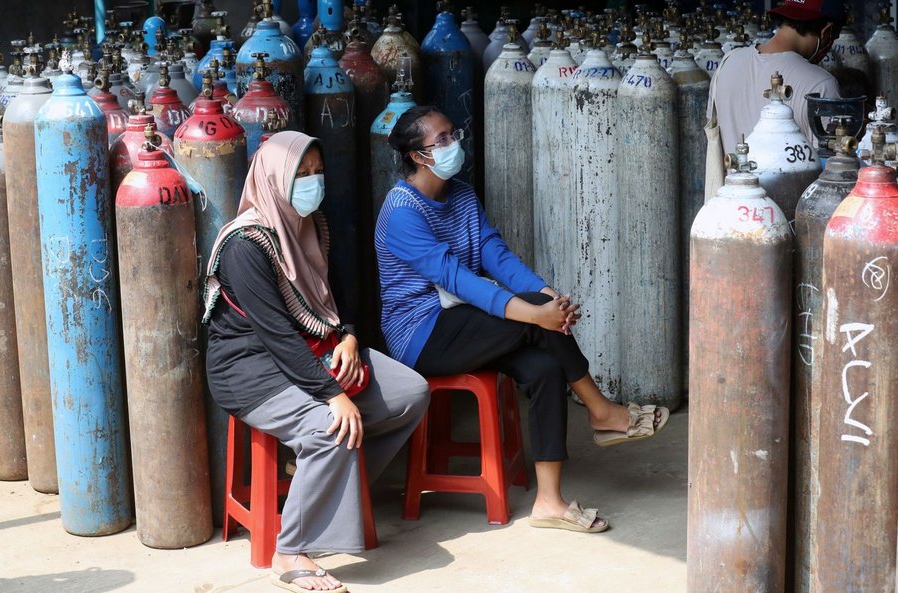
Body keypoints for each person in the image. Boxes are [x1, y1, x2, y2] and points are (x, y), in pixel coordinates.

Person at [374, 106, 670, 534]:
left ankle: (549, 501)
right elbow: (457, 279)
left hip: (469, 321)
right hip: (423, 333)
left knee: (547, 367)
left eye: (452, 133)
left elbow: (495, 254)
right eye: (441, 140)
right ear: (418, 156)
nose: (453, 143)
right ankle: (602, 411)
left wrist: (548, 295)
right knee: (537, 320)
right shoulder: (403, 213)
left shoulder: (460, 195)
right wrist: (535, 313)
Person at [203, 131, 430, 593]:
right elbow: (276, 334)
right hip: (250, 368)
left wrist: (348, 336)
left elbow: (340, 295)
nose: (312, 184)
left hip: (319, 347)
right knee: (330, 429)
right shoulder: (246, 245)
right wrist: (333, 395)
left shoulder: (314, 225)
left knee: (411, 393)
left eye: (317, 173)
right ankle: (289, 553)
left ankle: (332, 492)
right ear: (273, 180)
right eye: (300, 176)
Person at [708, 0, 845, 151]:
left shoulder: (728, 62)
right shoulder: (821, 84)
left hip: (734, 173)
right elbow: (834, 162)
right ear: (827, 32)